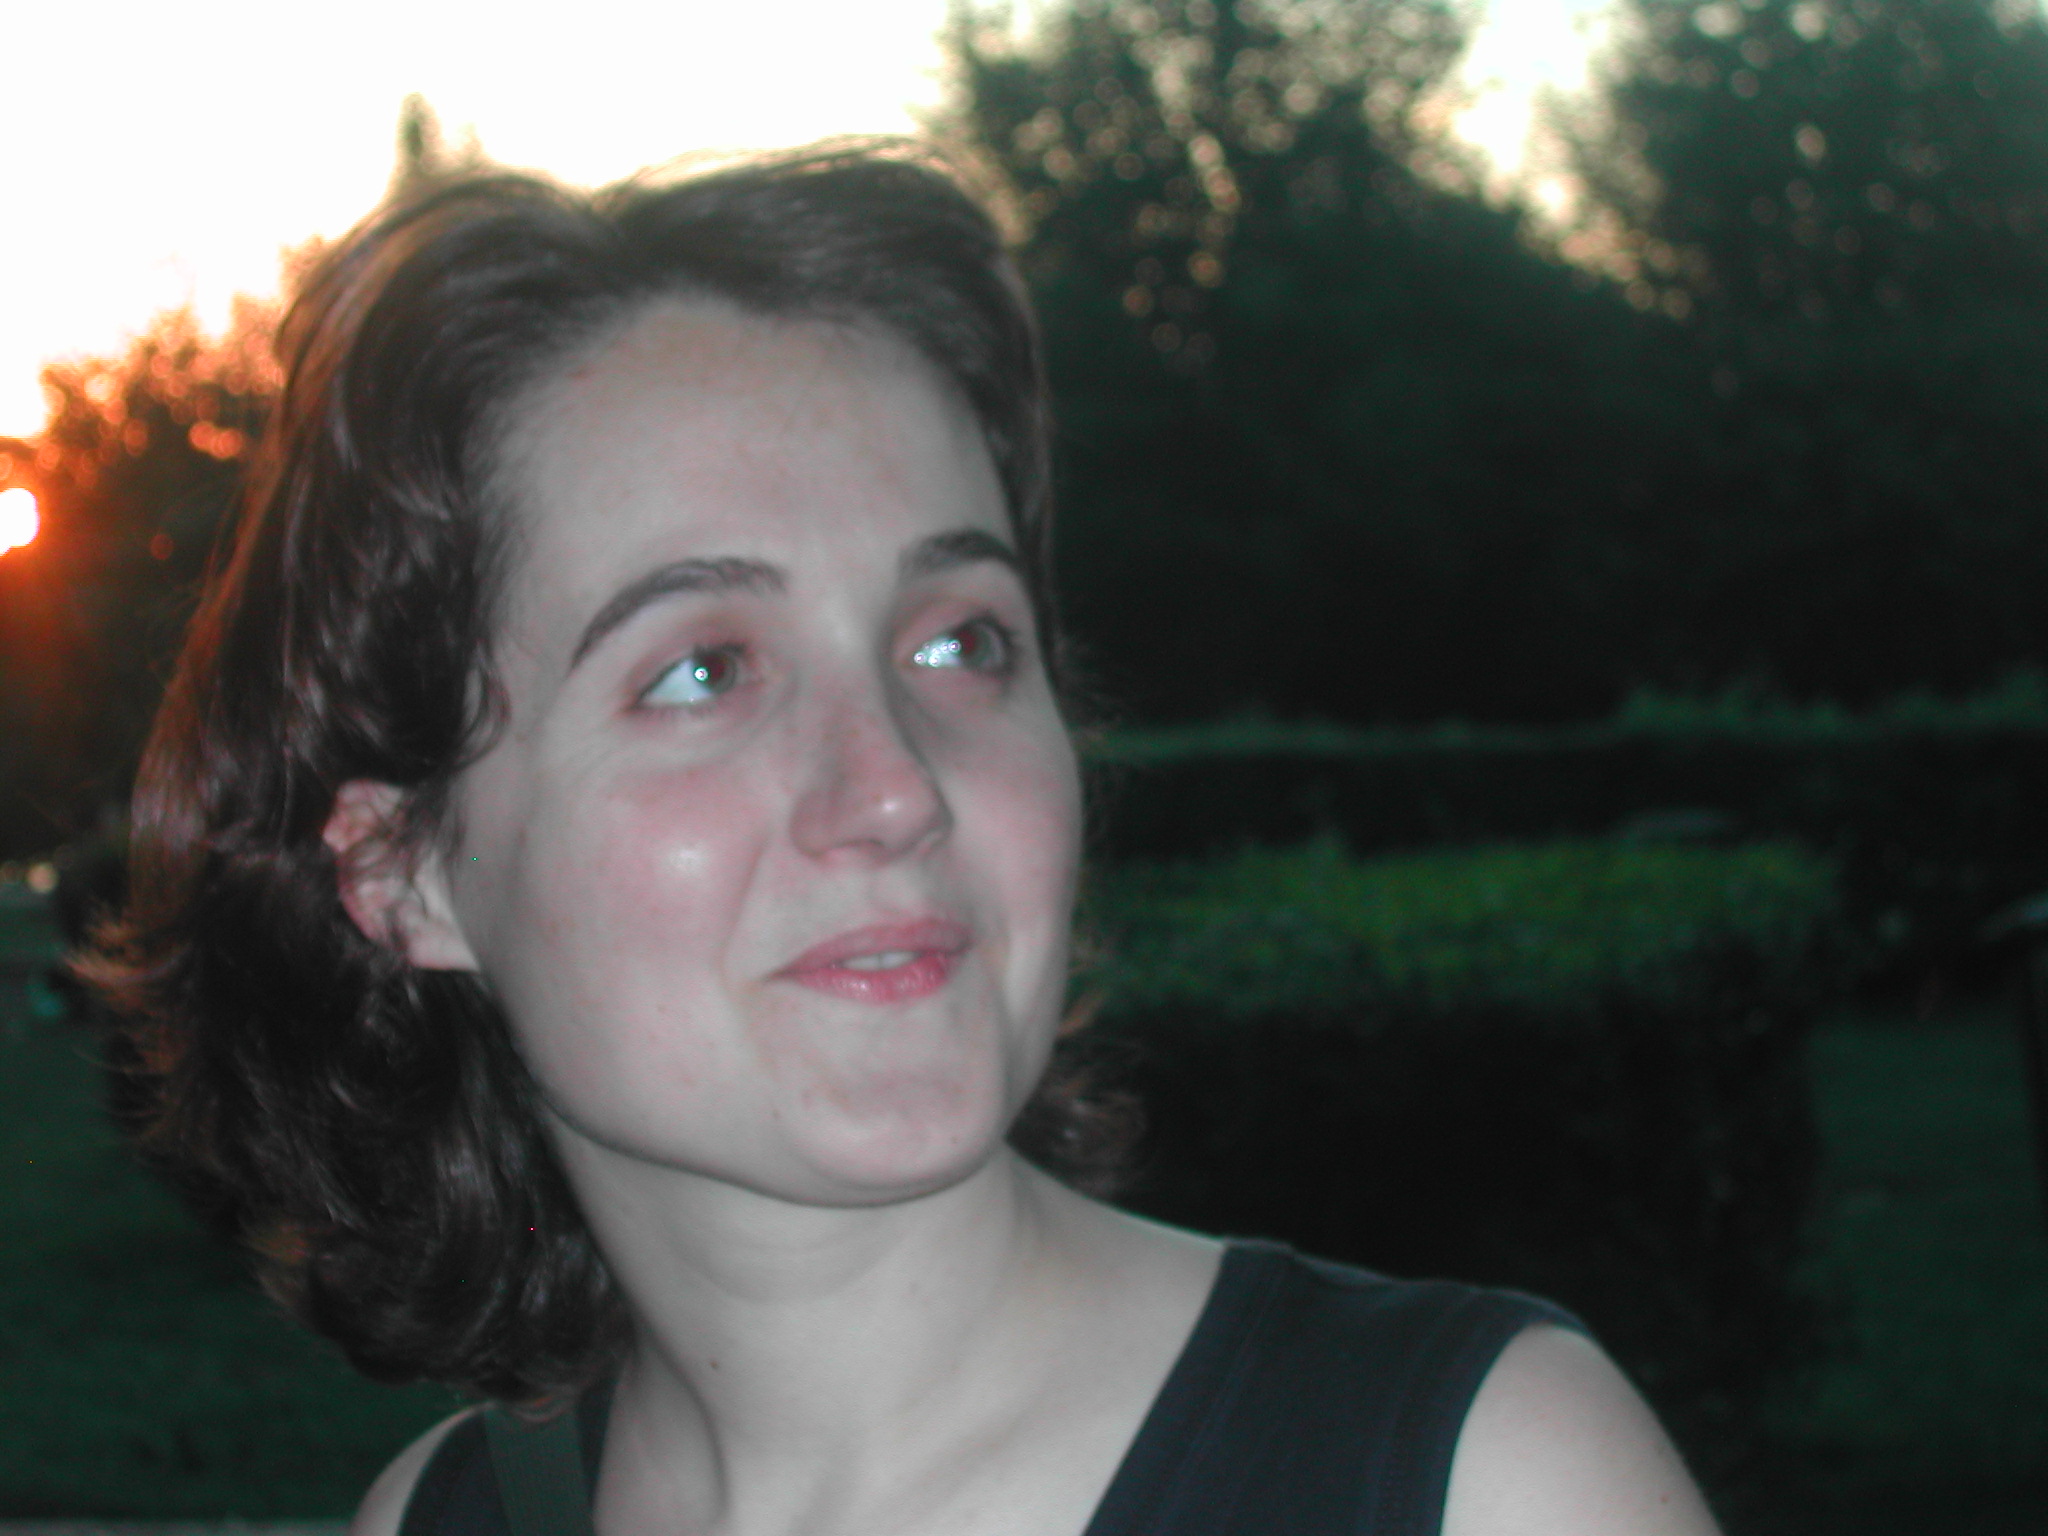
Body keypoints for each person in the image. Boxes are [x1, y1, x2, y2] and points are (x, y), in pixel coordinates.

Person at [85, 141, 1722, 1536]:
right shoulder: (438, 1521)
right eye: (703, 670)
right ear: (405, 873)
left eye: (960, 641)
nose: (895, 788)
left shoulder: (1484, 1483)